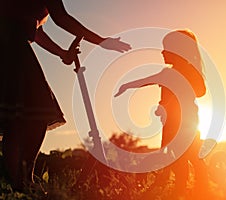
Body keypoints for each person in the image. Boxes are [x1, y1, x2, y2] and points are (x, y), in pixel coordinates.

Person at [0, 0, 131, 190]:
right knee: (38, 111)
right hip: (11, 45)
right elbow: (62, 19)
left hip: (10, 43)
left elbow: (37, 33)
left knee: (16, 118)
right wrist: (102, 41)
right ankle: (24, 182)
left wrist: (62, 53)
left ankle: (18, 184)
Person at [115, 29, 209, 199]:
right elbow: (148, 80)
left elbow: (200, 90)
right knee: (175, 158)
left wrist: (169, 102)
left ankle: (202, 189)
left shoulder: (188, 71)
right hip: (169, 124)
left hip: (186, 123)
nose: (162, 52)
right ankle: (179, 190)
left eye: (167, 49)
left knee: (191, 156)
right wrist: (128, 85)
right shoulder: (167, 72)